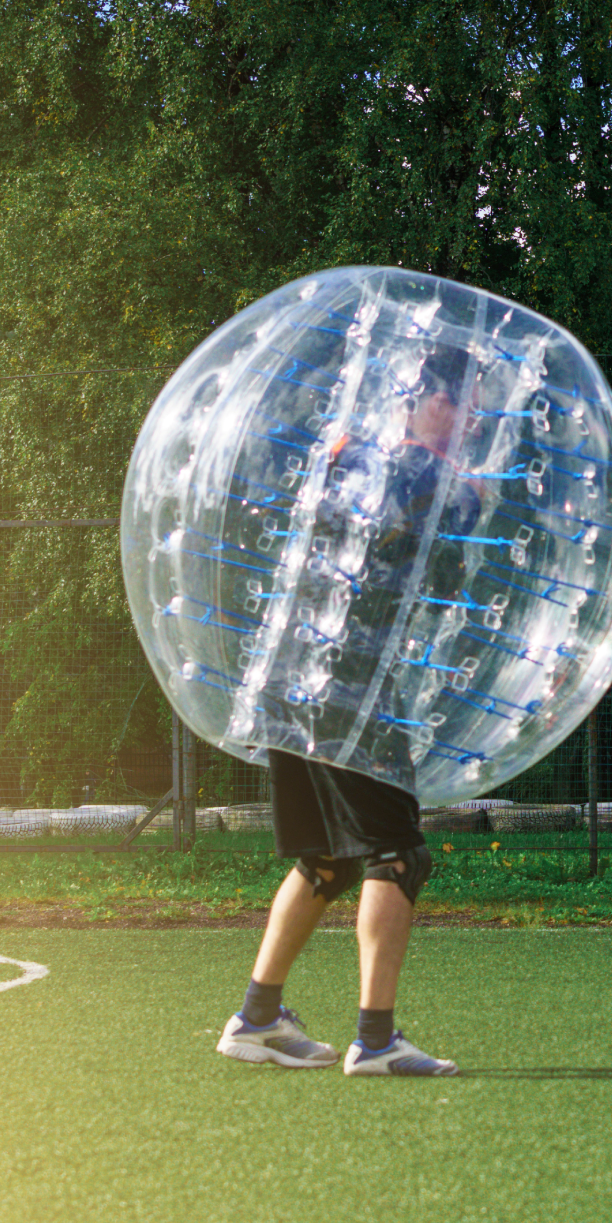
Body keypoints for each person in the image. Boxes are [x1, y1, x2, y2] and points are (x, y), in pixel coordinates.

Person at [214, 364, 472, 1077]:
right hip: (347, 687)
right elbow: (441, 578)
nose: (467, 421)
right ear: (426, 402)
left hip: (292, 678)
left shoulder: (351, 459)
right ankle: (376, 1041)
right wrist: (465, 504)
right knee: (398, 854)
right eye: (460, 404)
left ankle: (257, 1018)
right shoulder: (417, 471)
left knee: (328, 858)